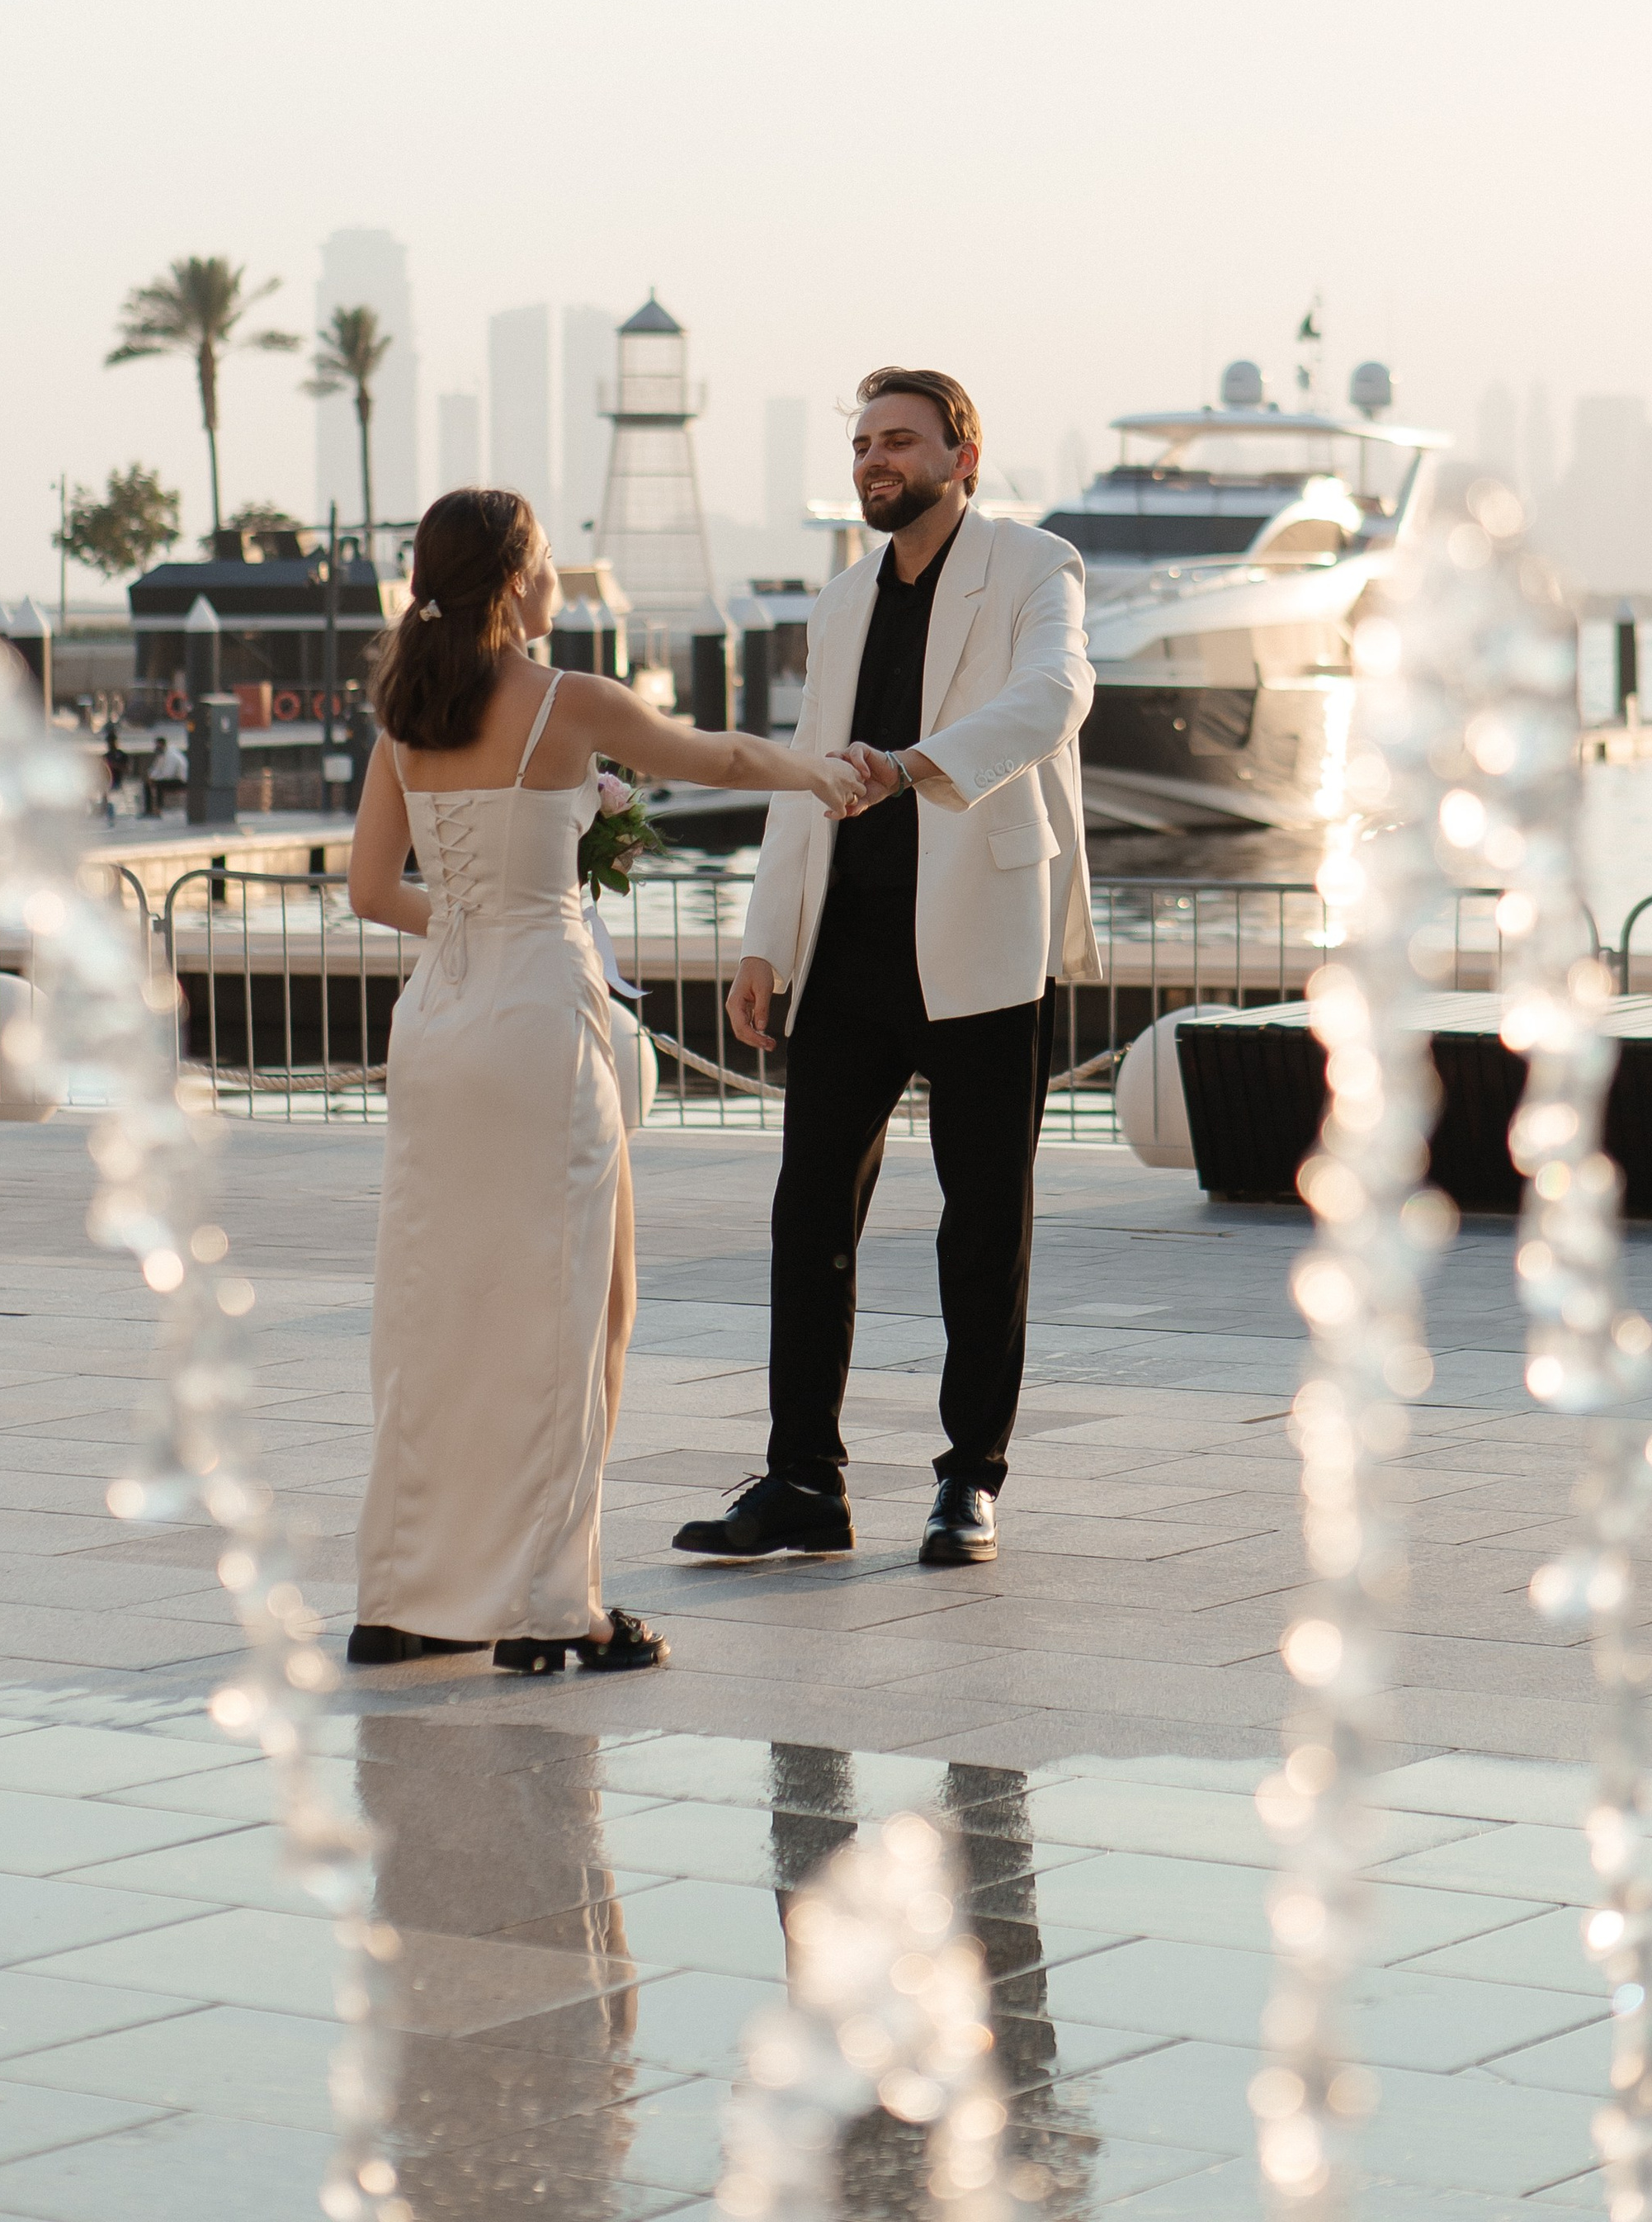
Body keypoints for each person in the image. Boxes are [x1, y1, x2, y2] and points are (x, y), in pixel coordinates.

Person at [344, 485, 866, 1673]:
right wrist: (824, 777)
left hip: (438, 1023)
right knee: (582, 1309)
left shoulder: (405, 707)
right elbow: (717, 752)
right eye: (548, 563)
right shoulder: (561, 700)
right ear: (521, 578)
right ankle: (552, 1606)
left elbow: (373, 891)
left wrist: (475, 920)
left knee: (439, 1308)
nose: (558, 582)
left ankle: (401, 1598)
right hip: (537, 1019)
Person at [673, 368, 1099, 1572]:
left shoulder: (1032, 565)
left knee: (983, 1224)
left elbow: (1055, 696)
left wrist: (916, 765)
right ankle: (804, 1474)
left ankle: (971, 1477)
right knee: (808, 1212)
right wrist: (764, 940)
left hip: (984, 939)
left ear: (963, 454)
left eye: (899, 440)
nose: (875, 459)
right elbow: (811, 769)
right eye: (863, 441)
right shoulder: (843, 595)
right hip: (847, 946)